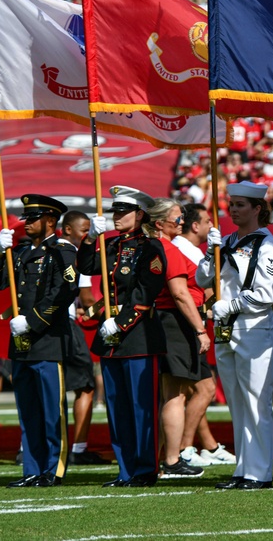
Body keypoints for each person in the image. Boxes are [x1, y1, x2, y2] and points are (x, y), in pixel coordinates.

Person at [80, 186, 167, 488]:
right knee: (117, 408)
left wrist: (121, 322)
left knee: (142, 407)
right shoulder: (112, 245)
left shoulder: (150, 247)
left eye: (122, 211)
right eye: (115, 211)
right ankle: (126, 469)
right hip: (110, 334)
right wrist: (91, 237)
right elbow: (86, 266)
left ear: (139, 214)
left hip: (137, 334)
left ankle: (145, 469)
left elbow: (146, 290)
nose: (116, 216)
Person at [198, 182, 273, 489]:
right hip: (226, 329)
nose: (233, 209)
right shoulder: (228, 240)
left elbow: (265, 295)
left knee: (256, 402)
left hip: (254, 329)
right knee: (236, 402)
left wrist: (229, 305)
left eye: (240, 205)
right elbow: (202, 278)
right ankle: (243, 468)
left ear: (258, 209)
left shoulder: (269, 245)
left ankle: (260, 473)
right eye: (231, 204)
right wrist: (210, 252)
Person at [0, 195, 76, 488]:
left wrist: (33, 320)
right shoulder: (22, 252)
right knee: (28, 412)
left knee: (52, 411)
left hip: (47, 339)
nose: (27, 224)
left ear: (50, 220)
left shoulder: (62, 251)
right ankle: (32, 469)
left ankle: (54, 468)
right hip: (21, 341)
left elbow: (65, 291)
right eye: (25, 218)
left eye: (33, 218)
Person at [144, 198, 209, 479]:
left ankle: (160, 459)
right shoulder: (167, 249)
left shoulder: (153, 247)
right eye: (176, 218)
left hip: (162, 320)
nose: (181, 222)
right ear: (160, 224)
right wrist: (200, 329)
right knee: (175, 395)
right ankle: (171, 460)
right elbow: (180, 293)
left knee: (170, 394)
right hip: (174, 321)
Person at [172, 204, 234, 468]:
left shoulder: (187, 249)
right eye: (208, 222)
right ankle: (184, 447)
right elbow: (203, 288)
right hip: (186, 322)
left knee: (193, 390)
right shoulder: (185, 250)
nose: (212, 227)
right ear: (195, 226)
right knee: (204, 389)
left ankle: (207, 445)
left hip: (189, 321)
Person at [58, 210, 110, 466]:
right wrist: (107, 311)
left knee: (49, 386)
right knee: (85, 386)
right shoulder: (77, 256)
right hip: (64, 323)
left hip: (41, 325)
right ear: (68, 229)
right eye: (83, 230)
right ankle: (78, 447)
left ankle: (31, 446)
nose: (87, 235)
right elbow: (87, 296)